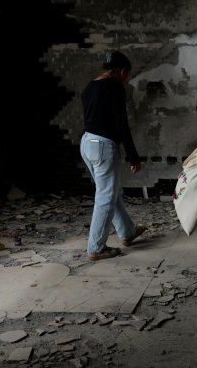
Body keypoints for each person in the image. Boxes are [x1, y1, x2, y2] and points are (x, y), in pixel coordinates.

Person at [80, 50, 146, 261]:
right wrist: (133, 156)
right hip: (103, 145)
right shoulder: (115, 88)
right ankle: (96, 248)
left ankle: (127, 232)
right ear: (122, 71)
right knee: (106, 197)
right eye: (127, 75)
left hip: (87, 142)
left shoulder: (90, 87)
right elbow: (121, 124)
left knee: (110, 192)